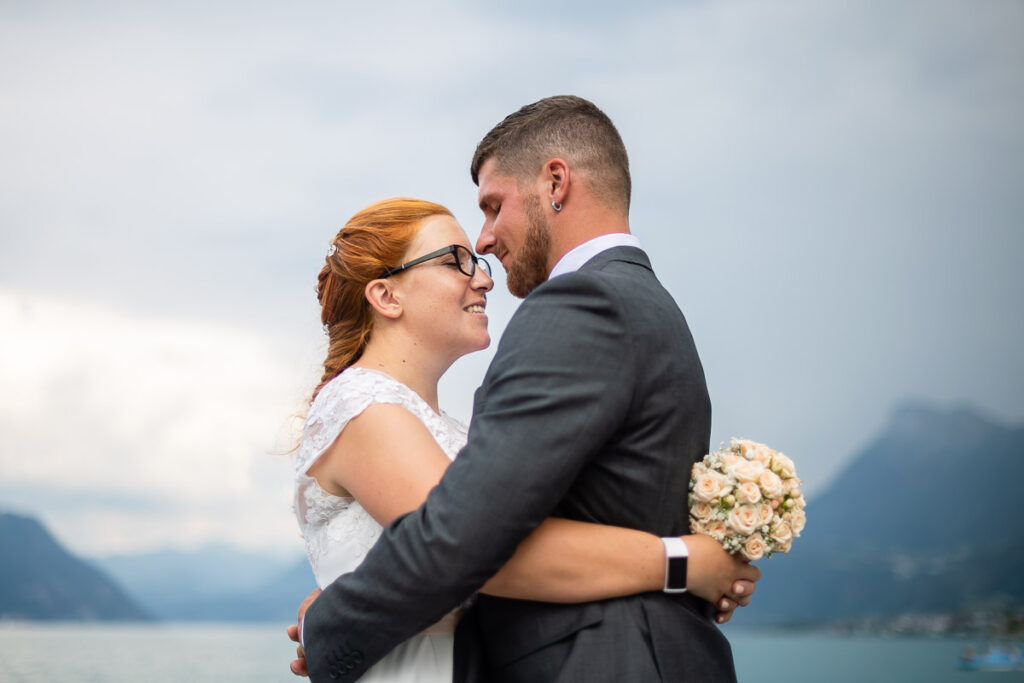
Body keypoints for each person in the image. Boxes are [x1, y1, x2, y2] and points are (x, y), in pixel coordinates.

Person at [295, 96, 760, 682]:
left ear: (556, 183)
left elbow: (463, 541)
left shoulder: (583, 304)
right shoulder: (642, 305)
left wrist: (328, 623)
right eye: (456, 259)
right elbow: (472, 542)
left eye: (491, 210)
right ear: (386, 296)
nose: (484, 259)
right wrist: (686, 563)